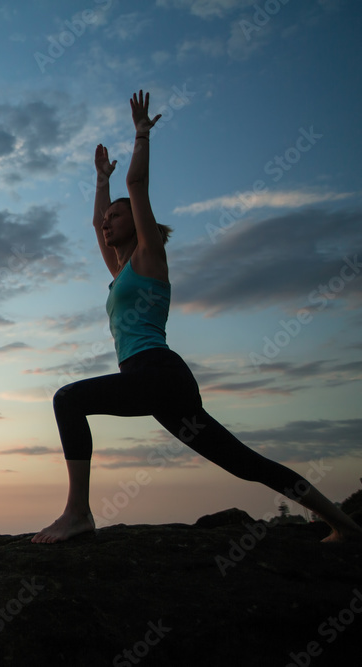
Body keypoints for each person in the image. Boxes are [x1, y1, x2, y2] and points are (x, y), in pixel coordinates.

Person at [31, 90, 362, 544]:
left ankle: (78, 514)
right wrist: (99, 182)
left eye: (116, 217)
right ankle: (346, 526)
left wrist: (141, 137)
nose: (106, 223)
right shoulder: (121, 271)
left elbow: (140, 187)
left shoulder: (150, 257)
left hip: (157, 373)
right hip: (154, 382)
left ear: (139, 224)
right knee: (245, 464)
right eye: (106, 219)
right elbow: (94, 225)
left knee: (68, 399)